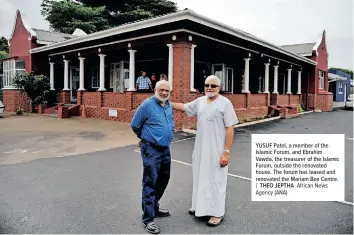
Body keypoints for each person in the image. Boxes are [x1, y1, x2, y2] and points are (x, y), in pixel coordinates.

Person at [170, 75, 238, 226]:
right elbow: (184, 107)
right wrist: (165, 102)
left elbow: (230, 129)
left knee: (216, 180)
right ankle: (199, 208)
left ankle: (216, 213)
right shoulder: (200, 101)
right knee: (200, 177)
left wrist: (226, 152)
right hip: (200, 148)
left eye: (213, 86)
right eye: (207, 85)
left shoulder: (225, 103)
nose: (209, 88)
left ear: (219, 88)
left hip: (217, 149)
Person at [130, 80, 175, 234]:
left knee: (164, 178)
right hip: (151, 149)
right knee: (150, 182)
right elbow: (135, 124)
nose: (164, 93)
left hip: (165, 149)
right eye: (161, 90)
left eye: (167, 91)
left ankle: (154, 206)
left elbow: (170, 122)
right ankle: (148, 219)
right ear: (155, 89)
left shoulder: (168, 105)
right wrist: (144, 138)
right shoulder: (147, 105)